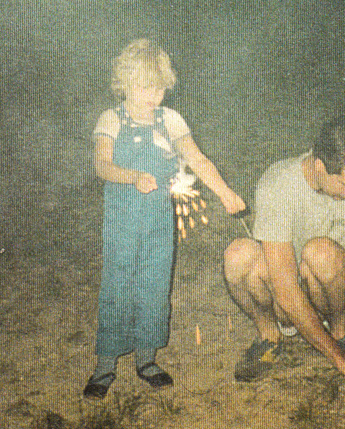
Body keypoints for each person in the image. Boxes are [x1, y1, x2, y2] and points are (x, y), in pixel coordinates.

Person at [84, 39, 246, 399]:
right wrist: (132, 176)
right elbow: (101, 165)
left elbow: (198, 159)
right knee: (118, 285)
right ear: (124, 83)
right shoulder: (111, 119)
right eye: (143, 87)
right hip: (122, 221)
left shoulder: (169, 120)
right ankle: (105, 365)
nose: (152, 96)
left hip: (159, 221)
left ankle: (146, 359)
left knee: (156, 285)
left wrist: (225, 193)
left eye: (158, 88)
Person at [223, 117, 345, 393]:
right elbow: (285, 288)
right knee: (238, 254)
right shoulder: (279, 185)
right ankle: (269, 336)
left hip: (334, 285)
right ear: (319, 167)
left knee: (320, 252)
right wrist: (342, 363)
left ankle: (340, 331)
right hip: (287, 295)